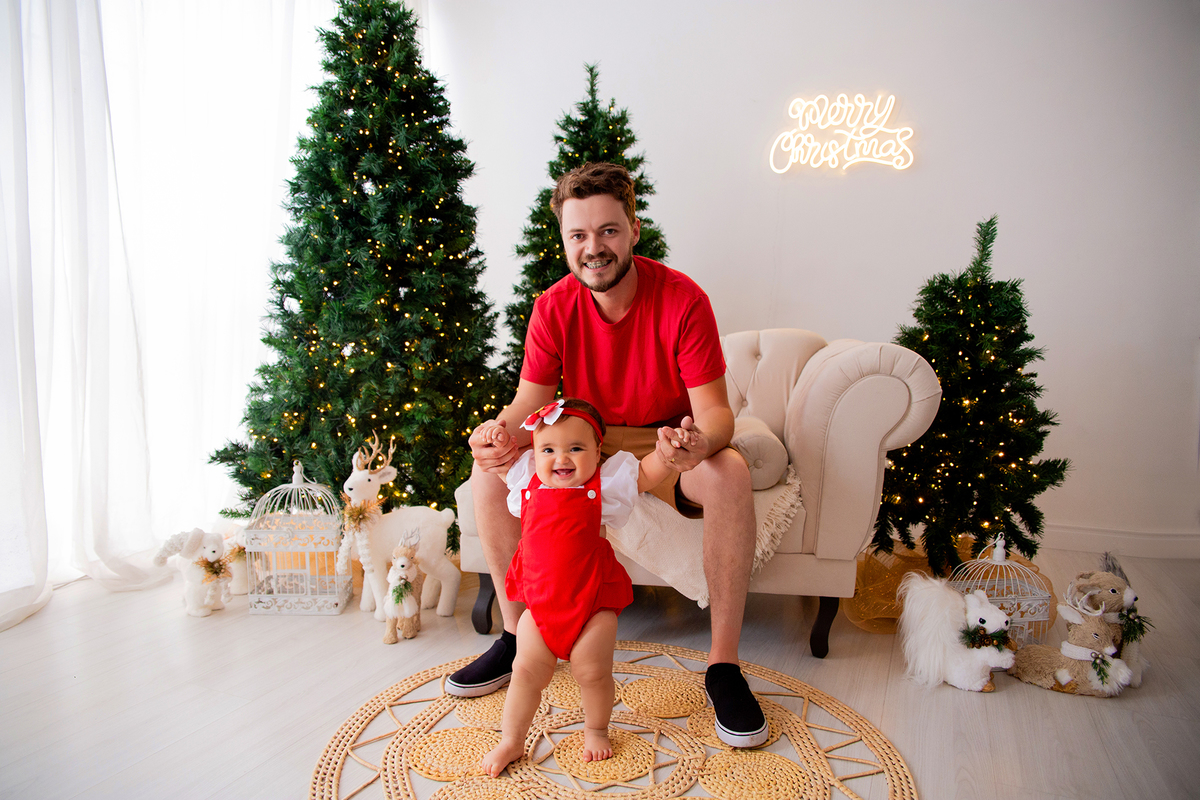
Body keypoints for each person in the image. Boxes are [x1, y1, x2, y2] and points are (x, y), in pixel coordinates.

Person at [447, 161, 767, 749]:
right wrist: (497, 433)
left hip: (666, 437)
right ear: (565, 240)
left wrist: (698, 442)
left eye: (609, 231)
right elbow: (529, 404)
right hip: (584, 438)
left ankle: (723, 665)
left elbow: (717, 412)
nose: (594, 247)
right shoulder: (553, 306)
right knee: (487, 473)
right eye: (579, 235)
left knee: (729, 473)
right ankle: (517, 635)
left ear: (634, 228)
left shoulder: (682, 298)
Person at [478, 397, 696, 776]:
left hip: (592, 604)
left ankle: (596, 728)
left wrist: (667, 451)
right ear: (534, 453)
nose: (561, 458)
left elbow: (644, 474)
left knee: (592, 673)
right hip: (540, 607)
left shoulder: (602, 488)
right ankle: (511, 740)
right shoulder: (525, 483)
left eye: (575, 449)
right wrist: (493, 438)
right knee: (525, 670)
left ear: (597, 454)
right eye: (548, 449)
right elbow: (502, 465)